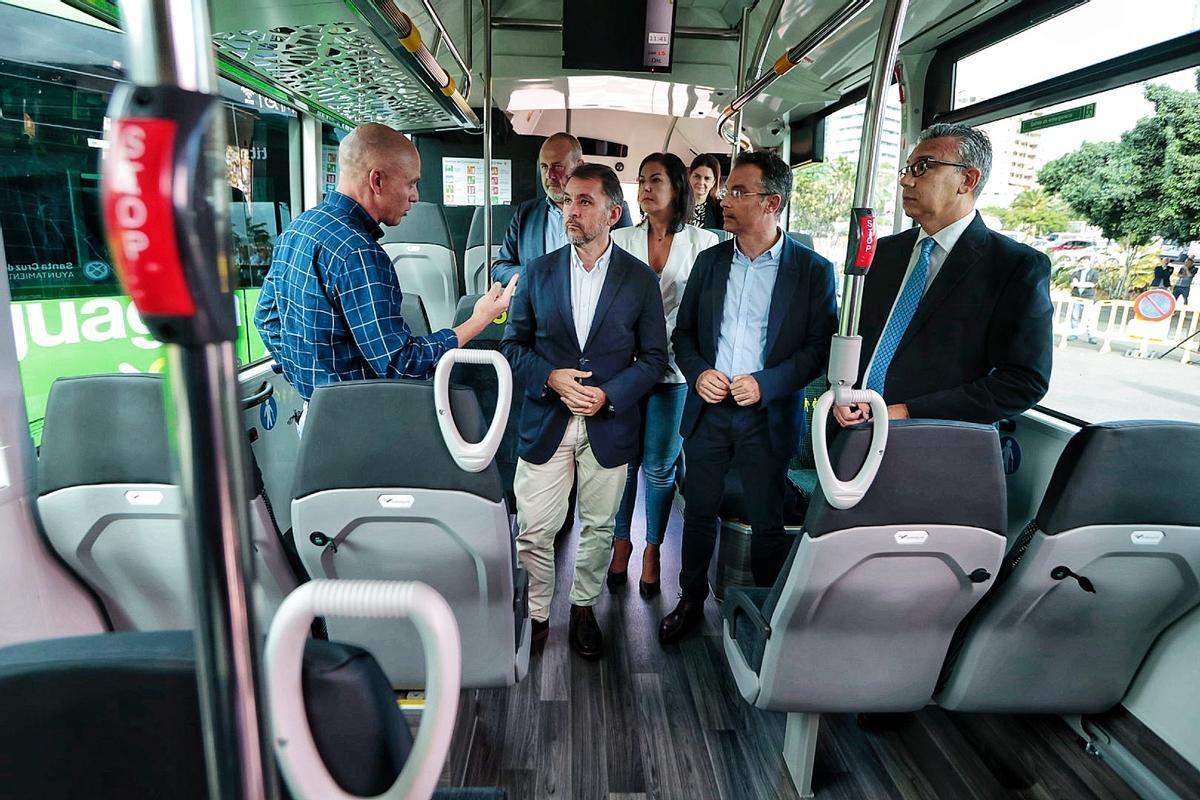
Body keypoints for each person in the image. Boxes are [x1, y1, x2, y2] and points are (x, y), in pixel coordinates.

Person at [658, 151, 838, 645]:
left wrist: (768, 382)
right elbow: (686, 336)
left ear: (772, 203)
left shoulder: (813, 272)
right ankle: (690, 598)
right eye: (726, 191)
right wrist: (697, 374)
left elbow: (816, 351)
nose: (723, 200)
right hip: (710, 411)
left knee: (767, 521)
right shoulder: (710, 262)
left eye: (738, 192)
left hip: (768, 414)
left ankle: (761, 612)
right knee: (697, 513)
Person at [501, 163, 668, 660]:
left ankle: (582, 608)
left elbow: (655, 358)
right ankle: (534, 614)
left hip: (609, 422)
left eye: (584, 202)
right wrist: (550, 377)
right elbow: (512, 346)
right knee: (534, 529)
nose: (570, 211)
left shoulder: (640, 281)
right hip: (546, 418)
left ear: (614, 213)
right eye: (567, 201)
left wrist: (609, 394)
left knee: (598, 527)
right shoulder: (537, 272)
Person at [255, 123, 516, 425]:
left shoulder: (298, 228)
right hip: (359, 424)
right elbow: (401, 364)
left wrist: (314, 385)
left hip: (314, 418)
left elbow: (267, 320)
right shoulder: (359, 252)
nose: (415, 196)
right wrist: (478, 319)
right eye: (411, 184)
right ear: (377, 181)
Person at [833, 122, 1052, 429]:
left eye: (923, 167)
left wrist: (906, 411)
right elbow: (859, 335)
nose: (906, 181)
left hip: (936, 441)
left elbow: (1023, 381)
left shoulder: (1014, 266)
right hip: (852, 429)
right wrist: (843, 392)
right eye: (907, 169)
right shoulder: (883, 253)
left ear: (967, 179)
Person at [608, 154, 719, 598]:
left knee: (658, 467)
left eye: (655, 180)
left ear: (677, 187)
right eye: (641, 180)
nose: (645, 187)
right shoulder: (621, 239)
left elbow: (707, 312)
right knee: (624, 464)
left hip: (677, 370)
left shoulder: (705, 242)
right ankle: (621, 542)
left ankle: (653, 548)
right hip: (627, 370)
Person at [491, 132, 633, 286]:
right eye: (544, 167)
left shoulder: (610, 211)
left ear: (578, 166)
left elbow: (627, 268)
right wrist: (535, 275)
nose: (549, 175)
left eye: (557, 166)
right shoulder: (525, 214)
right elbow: (499, 269)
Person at [688, 154, 724, 230]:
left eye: (707, 178)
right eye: (697, 176)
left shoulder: (720, 210)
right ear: (689, 176)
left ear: (714, 182)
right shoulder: (675, 204)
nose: (701, 182)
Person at [1068, 262, 1099, 343]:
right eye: (1081, 262)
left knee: (1089, 317)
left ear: (1089, 263)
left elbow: (1092, 284)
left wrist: (1078, 284)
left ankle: (1091, 336)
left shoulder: (1094, 273)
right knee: (1075, 316)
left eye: (1084, 261)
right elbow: (1072, 284)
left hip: (1088, 297)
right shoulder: (1076, 273)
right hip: (1076, 296)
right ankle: (1074, 333)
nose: (1082, 263)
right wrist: (1082, 284)